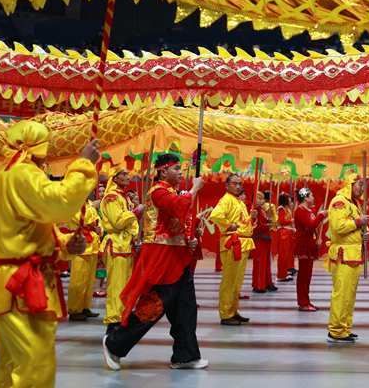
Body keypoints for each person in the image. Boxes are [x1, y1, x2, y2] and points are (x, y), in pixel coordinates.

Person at [0, 121, 98, 388]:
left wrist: (65, 246)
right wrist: (84, 165)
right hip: (22, 285)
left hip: (15, 281)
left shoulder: (13, 175)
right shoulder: (23, 174)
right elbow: (61, 202)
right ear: (36, 148)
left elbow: (38, 230)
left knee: (13, 367)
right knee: (35, 369)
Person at [103, 153, 208, 370]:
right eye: (176, 169)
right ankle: (114, 344)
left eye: (181, 169)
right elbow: (179, 206)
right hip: (164, 261)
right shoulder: (158, 192)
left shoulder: (172, 192)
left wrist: (188, 241)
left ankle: (184, 355)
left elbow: (179, 220)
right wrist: (195, 188)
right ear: (163, 172)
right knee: (153, 307)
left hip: (179, 260)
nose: (180, 172)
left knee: (186, 310)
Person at [325, 173, 369, 343]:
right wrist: (359, 222)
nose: (362, 188)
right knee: (341, 292)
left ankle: (344, 327)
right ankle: (336, 330)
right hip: (344, 254)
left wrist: (365, 235)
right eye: (359, 184)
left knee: (349, 293)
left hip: (354, 254)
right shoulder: (340, 202)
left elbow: (354, 229)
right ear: (350, 184)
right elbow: (338, 226)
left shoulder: (354, 204)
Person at [209, 173, 255, 325]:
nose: (238, 186)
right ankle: (226, 314)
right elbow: (215, 215)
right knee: (229, 281)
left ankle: (233, 311)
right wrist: (229, 225)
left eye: (240, 184)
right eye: (234, 184)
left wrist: (252, 218)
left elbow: (244, 224)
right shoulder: (227, 199)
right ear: (227, 186)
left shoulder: (238, 202)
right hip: (233, 245)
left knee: (237, 282)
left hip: (242, 244)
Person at [100, 169, 141, 333]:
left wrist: (135, 238)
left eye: (127, 173)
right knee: (116, 285)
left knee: (125, 286)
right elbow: (118, 222)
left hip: (125, 245)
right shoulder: (112, 197)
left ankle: (122, 317)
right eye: (123, 174)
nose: (127, 176)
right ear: (114, 178)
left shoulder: (124, 198)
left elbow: (132, 224)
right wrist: (138, 211)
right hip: (116, 245)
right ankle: (113, 321)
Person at [66, 192, 102, 321]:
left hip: (92, 245)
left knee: (89, 280)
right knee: (78, 280)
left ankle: (85, 307)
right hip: (79, 244)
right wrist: (94, 209)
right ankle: (75, 309)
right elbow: (83, 219)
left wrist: (98, 229)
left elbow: (97, 222)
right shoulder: (73, 204)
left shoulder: (91, 203)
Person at [294, 187, 328, 311]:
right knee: (303, 275)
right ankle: (303, 302)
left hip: (310, 243)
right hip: (304, 244)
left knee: (307, 276)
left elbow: (314, 227)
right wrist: (320, 215)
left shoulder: (308, 210)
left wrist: (318, 239)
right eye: (311, 195)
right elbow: (310, 224)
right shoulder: (300, 210)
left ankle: (306, 301)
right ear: (305, 197)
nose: (313, 198)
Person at [251, 190, 276, 293]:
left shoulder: (261, 210)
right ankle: (258, 285)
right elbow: (259, 225)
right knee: (260, 262)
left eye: (263, 199)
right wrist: (268, 225)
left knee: (266, 262)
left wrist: (268, 222)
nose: (262, 201)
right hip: (260, 238)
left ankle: (266, 283)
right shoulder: (255, 211)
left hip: (265, 238)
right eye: (259, 199)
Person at [276, 193, 296, 282]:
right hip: (283, 233)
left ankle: (285, 272)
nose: (289, 200)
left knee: (287, 254)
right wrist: (291, 221)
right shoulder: (281, 209)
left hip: (287, 233)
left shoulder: (287, 209)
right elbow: (281, 221)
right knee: (283, 254)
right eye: (288, 198)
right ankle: (281, 274)